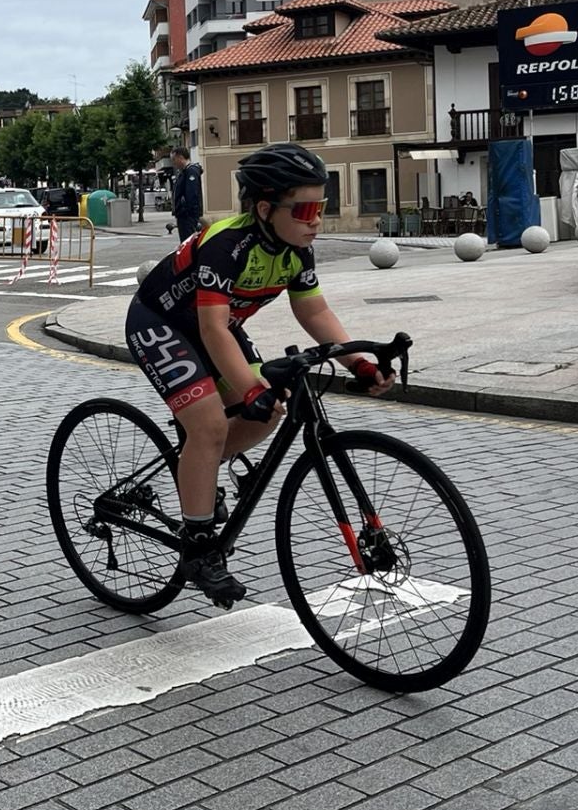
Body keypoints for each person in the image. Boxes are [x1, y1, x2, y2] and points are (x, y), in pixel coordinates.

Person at [127, 142, 395, 608]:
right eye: (307, 209)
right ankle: (197, 549)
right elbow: (211, 329)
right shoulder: (227, 245)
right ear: (266, 208)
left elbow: (315, 312)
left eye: (323, 208)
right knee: (211, 425)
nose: (316, 220)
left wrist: (361, 361)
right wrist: (248, 387)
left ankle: (198, 470)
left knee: (269, 409)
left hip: (216, 329)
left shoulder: (296, 251)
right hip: (162, 322)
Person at [168, 146, 204, 243]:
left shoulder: (190, 171)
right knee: (186, 241)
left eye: (174, 159)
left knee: (188, 241)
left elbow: (192, 194)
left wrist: (185, 209)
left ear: (180, 157)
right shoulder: (185, 172)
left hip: (187, 215)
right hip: (184, 214)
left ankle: (190, 258)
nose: (173, 163)